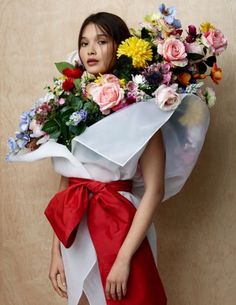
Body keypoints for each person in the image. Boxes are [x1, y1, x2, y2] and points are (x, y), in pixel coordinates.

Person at [48, 12, 167, 305]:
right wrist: (56, 253)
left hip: (121, 227)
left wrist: (124, 258)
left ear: (120, 47)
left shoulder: (143, 111)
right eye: (84, 42)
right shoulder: (72, 109)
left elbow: (155, 189)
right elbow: (68, 184)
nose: (90, 50)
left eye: (101, 41)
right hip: (78, 226)